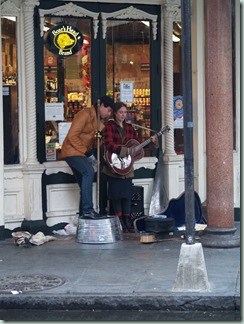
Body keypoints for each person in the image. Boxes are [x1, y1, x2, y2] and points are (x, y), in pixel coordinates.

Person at [102, 101, 158, 232]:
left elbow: (136, 145)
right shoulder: (109, 127)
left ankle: (127, 221)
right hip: (113, 166)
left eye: (125, 112)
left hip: (127, 167)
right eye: (120, 112)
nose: (123, 115)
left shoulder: (129, 128)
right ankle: (119, 221)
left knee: (126, 195)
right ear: (115, 113)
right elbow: (108, 145)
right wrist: (125, 152)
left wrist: (152, 142)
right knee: (116, 195)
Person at [61, 95, 115, 219]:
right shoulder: (84, 114)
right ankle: (87, 210)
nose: (109, 113)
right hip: (72, 151)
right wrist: (87, 153)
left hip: (81, 153)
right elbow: (72, 136)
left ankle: (83, 217)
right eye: (108, 110)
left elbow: (98, 140)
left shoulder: (99, 122)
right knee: (88, 171)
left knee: (84, 183)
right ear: (101, 106)